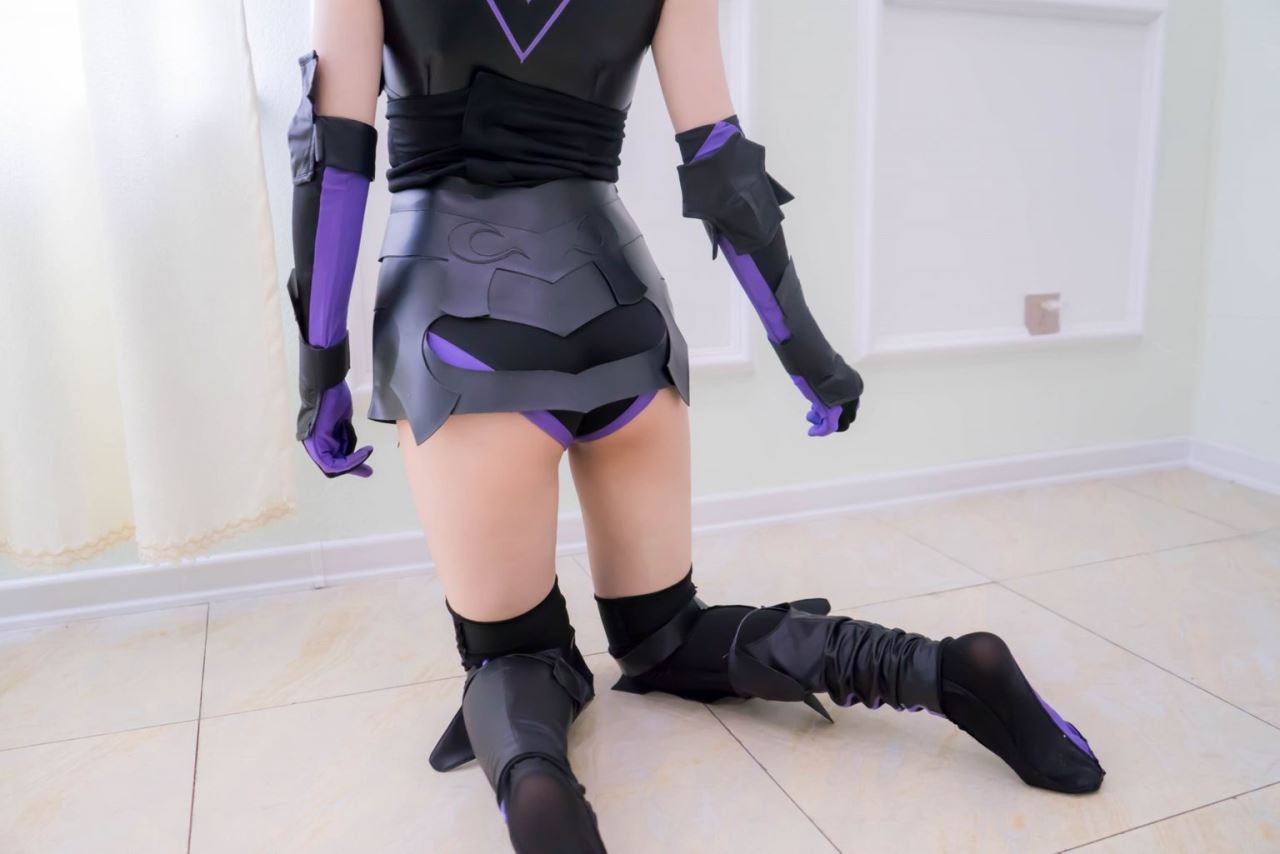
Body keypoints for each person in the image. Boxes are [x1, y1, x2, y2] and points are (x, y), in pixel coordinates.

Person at [284, 1, 1105, 850]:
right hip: (625, 316)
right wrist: (807, 354)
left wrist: (321, 377)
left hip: (459, 333)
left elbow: (333, 164)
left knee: (514, 656)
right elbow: (722, 166)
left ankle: (537, 788)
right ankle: (943, 669)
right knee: (665, 633)